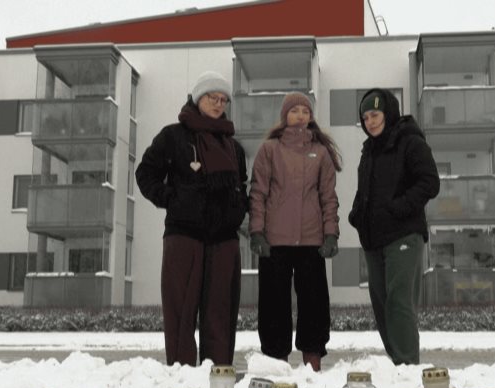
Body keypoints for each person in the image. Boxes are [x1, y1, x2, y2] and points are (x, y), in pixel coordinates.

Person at [135, 71, 248, 367]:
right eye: (213, 98)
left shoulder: (233, 147)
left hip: (224, 239)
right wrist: (173, 199)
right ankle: (182, 375)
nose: (219, 104)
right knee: (180, 312)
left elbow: (242, 185)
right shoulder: (173, 136)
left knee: (220, 314)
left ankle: (218, 375)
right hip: (184, 236)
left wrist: (239, 209)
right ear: (199, 98)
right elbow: (145, 174)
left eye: (223, 100)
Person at [248, 92, 341, 372]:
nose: (301, 115)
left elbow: (328, 196)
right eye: (294, 111)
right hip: (274, 242)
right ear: (284, 116)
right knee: (273, 304)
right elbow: (258, 193)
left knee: (314, 303)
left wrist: (331, 234)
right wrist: (257, 232)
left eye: (305, 111)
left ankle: (312, 360)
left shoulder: (321, 152)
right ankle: (276, 360)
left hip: (311, 242)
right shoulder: (269, 149)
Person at [348, 88, 440, 365]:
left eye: (375, 114)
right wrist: (356, 214)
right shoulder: (369, 150)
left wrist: (398, 208)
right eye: (365, 117)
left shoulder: (410, 141)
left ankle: (408, 365)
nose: (370, 122)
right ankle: (397, 363)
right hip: (374, 238)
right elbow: (365, 190)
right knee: (382, 303)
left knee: (399, 301)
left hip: (403, 234)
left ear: (388, 112)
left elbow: (430, 182)